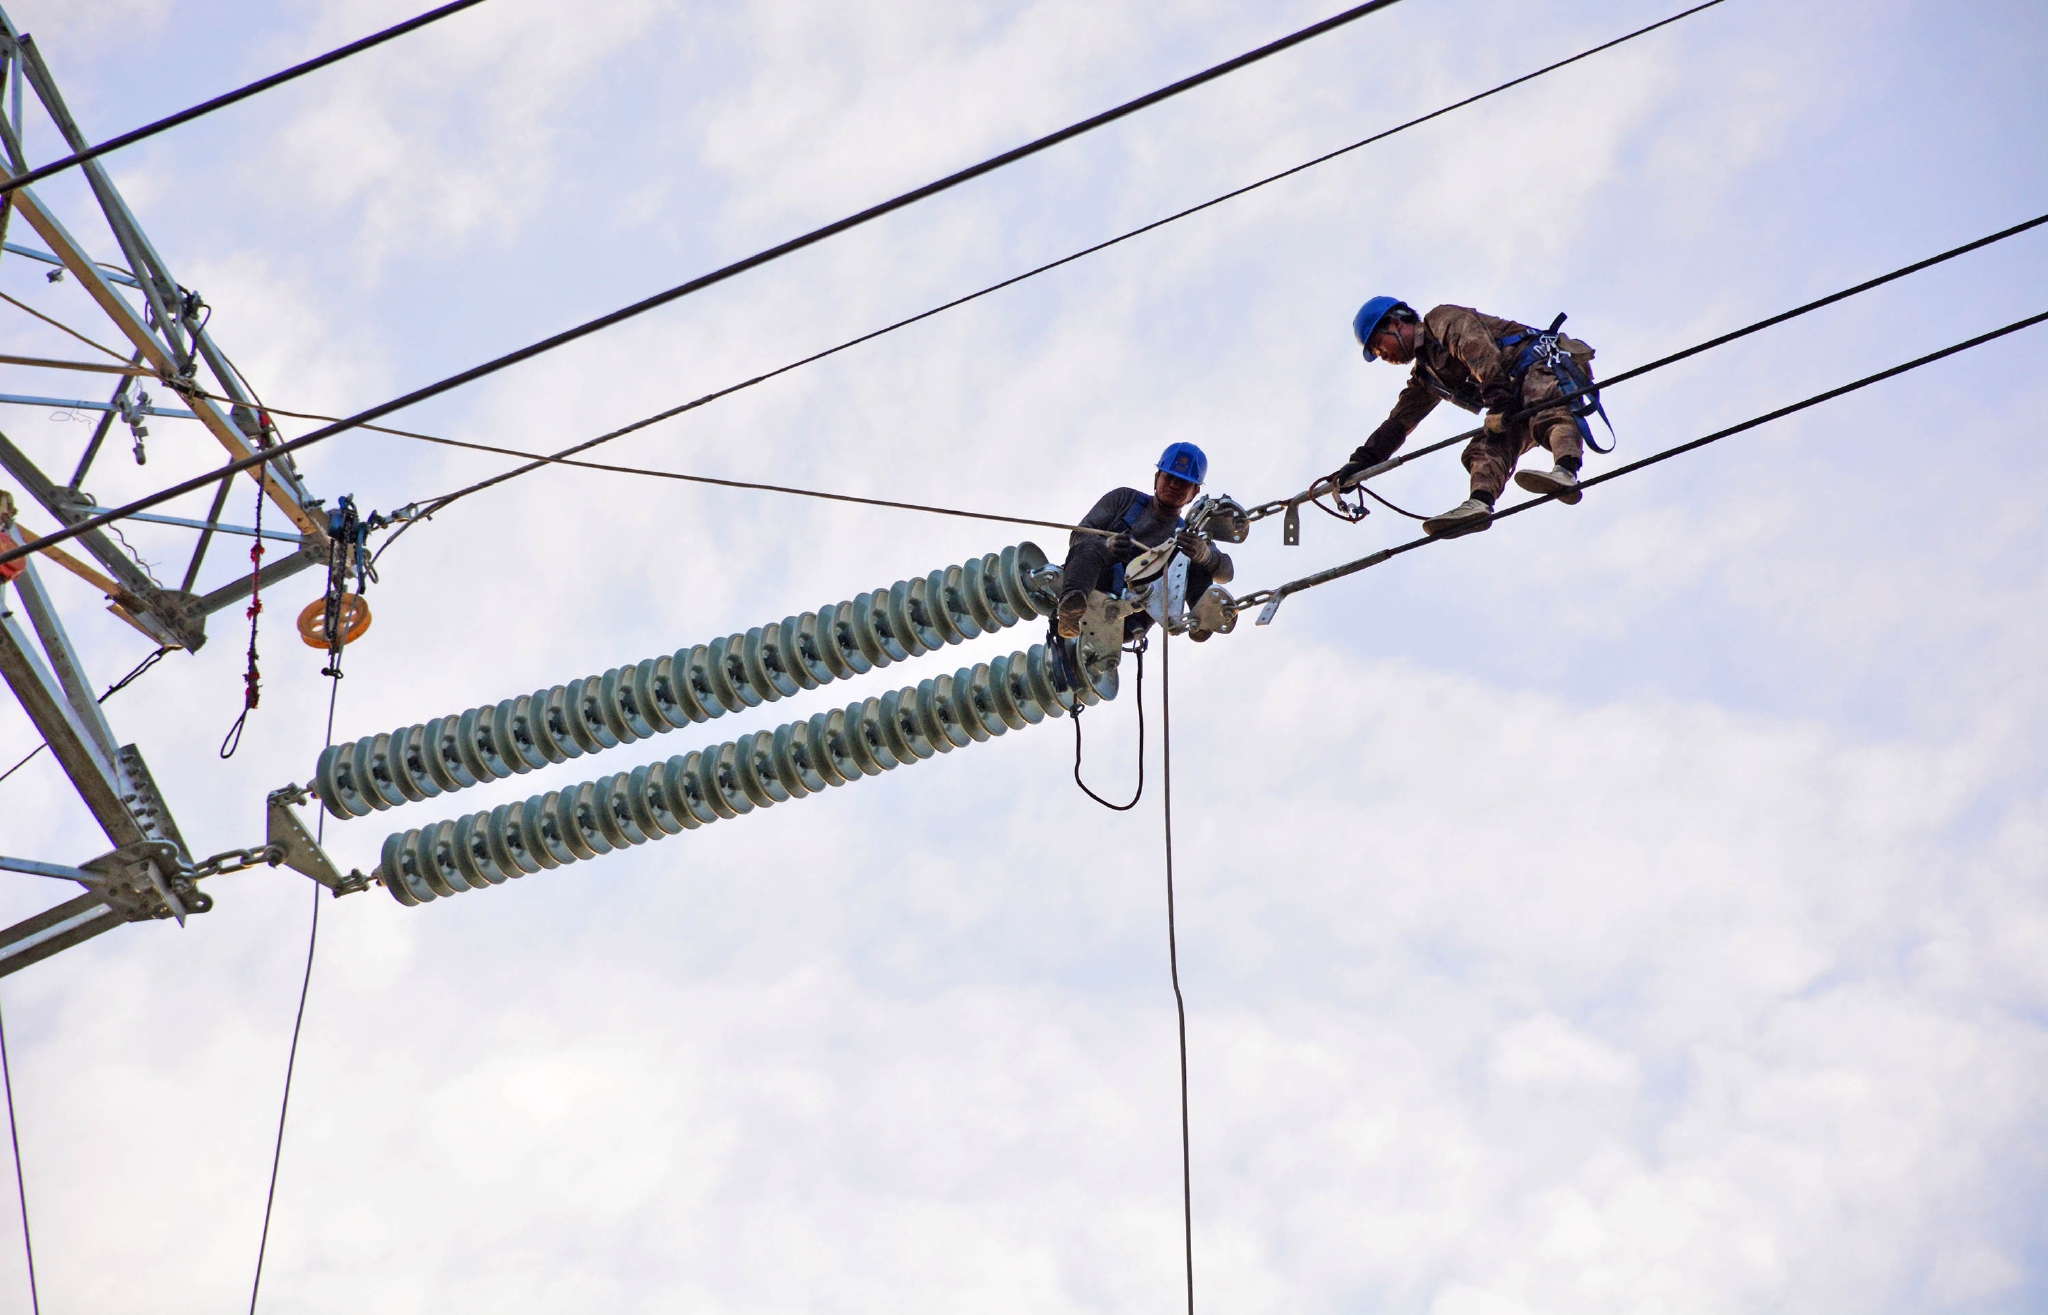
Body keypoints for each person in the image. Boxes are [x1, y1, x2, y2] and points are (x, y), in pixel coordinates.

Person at [1333, 297, 1599, 538]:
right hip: (1511, 396)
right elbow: (1400, 421)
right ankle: (1479, 504)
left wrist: (1498, 402)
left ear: (1395, 323)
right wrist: (1362, 463)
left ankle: (1566, 470)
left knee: (1545, 407)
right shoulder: (1426, 376)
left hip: (1543, 364)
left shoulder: (1440, 320)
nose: (1382, 355)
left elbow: (1476, 348)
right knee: (1484, 448)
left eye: (1378, 345)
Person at [1055, 442, 1234, 639]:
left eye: (1183, 482)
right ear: (1157, 477)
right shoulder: (1124, 499)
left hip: (1131, 616)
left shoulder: (1188, 536)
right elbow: (1077, 537)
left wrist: (1206, 556)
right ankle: (1071, 608)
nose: (1174, 485)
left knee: (1197, 563)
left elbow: (1226, 573)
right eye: (1169, 477)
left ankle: (1201, 622)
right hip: (1095, 588)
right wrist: (1106, 546)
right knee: (1091, 545)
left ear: (1194, 492)